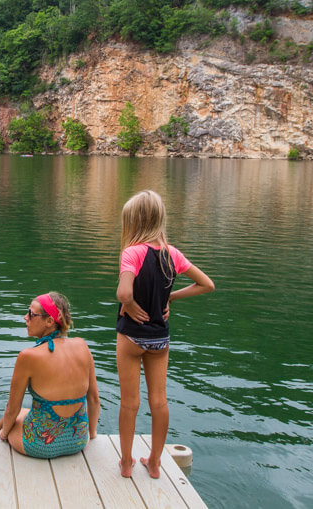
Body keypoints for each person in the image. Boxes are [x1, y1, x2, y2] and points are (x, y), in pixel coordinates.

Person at [116, 190, 214, 479]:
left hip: (131, 337)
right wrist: (170, 299)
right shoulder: (173, 254)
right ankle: (156, 463)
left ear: (134, 222)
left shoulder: (132, 252)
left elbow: (123, 291)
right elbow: (206, 284)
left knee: (129, 403)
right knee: (159, 401)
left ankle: (125, 463)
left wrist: (129, 303)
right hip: (160, 339)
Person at [0, 292, 100, 458]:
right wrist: (91, 434)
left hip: (39, 445)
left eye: (31, 314)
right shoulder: (82, 346)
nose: (25, 317)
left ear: (49, 321)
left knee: (11, 417)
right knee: (22, 412)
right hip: (78, 440)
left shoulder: (28, 356)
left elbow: (12, 409)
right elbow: (94, 399)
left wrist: (3, 435)